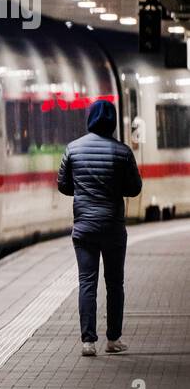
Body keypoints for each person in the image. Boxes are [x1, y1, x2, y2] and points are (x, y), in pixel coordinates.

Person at [56, 98, 143, 357]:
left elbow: (63, 185)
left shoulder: (73, 149)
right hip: (113, 228)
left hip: (84, 229)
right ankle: (113, 339)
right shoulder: (123, 151)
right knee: (115, 283)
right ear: (113, 121)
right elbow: (135, 188)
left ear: (89, 119)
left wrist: (82, 191)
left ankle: (88, 342)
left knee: (87, 282)